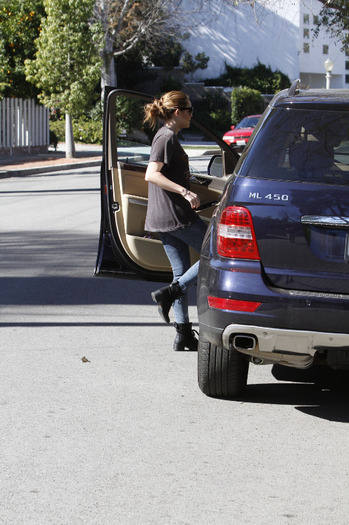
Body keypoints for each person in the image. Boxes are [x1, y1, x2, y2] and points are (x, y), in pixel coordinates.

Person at [143, 91, 207, 351]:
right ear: (178, 112)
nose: (193, 114)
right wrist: (184, 191)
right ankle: (168, 293)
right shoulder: (166, 137)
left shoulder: (167, 137)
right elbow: (151, 174)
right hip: (176, 216)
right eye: (190, 109)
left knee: (180, 272)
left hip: (164, 217)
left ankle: (182, 335)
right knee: (218, 253)